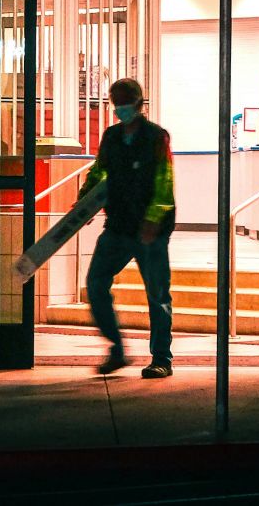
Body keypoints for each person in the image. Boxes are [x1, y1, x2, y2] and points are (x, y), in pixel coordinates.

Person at [77, 78, 175, 379]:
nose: (119, 108)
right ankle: (117, 348)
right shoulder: (111, 137)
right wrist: (83, 204)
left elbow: (164, 180)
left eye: (124, 102)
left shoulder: (156, 137)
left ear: (138, 103)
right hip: (117, 226)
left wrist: (153, 219)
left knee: (158, 295)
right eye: (114, 101)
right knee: (95, 284)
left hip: (150, 231)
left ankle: (161, 359)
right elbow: (99, 170)